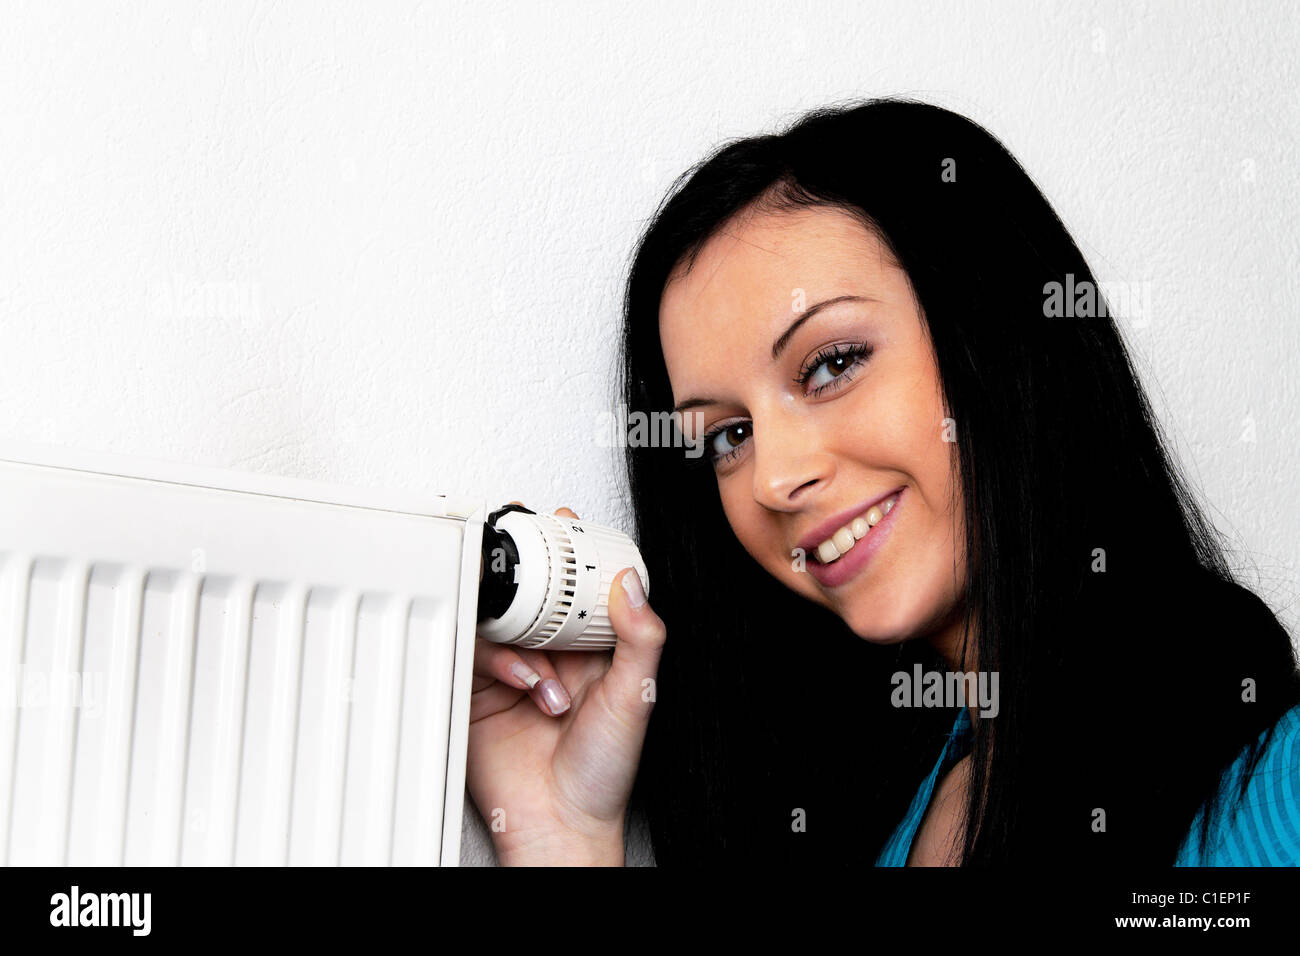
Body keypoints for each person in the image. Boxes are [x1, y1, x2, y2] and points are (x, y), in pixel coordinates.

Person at [465, 98, 1300, 866]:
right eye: (727, 437)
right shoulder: (867, 813)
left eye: (831, 364)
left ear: (1000, 342)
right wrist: (559, 829)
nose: (776, 479)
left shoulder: (1277, 785)